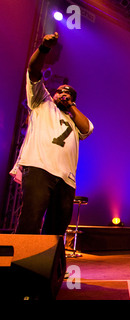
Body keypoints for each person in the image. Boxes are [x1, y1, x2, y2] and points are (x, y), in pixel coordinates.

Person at [10, 32, 93, 236]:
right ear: (53, 93)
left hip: (66, 179)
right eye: (60, 92)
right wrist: (44, 48)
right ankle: (22, 267)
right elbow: (33, 69)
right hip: (39, 169)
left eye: (69, 94)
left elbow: (87, 129)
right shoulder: (42, 102)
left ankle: (52, 268)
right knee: (31, 221)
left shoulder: (75, 120)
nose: (64, 94)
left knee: (56, 229)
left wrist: (71, 106)